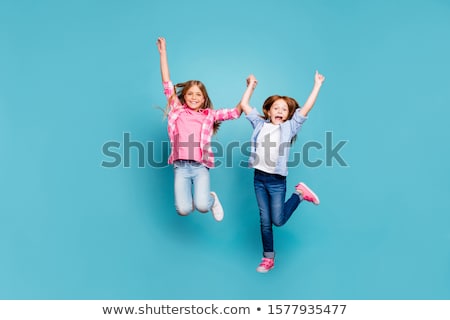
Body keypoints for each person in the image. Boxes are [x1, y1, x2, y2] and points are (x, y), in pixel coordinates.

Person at [239, 71, 325, 272]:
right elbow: (244, 106)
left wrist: (317, 85)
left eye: (284, 109)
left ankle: (300, 194)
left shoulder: (290, 127)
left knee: (278, 220)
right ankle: (268, 257)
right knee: (265, 220)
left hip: (277, 181)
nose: (279, 111)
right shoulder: (260, 124)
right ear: (268, 111)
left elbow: (306, 108)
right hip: (259, 179)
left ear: (288, 114)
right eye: (276, 108)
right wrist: (251, 86)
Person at [156, 37, 241, 222]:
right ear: (184, 96)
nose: (194, 97)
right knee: (184, 210)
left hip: (200, 166)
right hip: (180, 167)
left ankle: (211, 200)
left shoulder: (209, 115)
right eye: (190, 94)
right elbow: (167, 83)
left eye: (198, 95)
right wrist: (163, 53)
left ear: (203, 99)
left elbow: (235, 112)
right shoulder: (177, 110)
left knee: (202, 206)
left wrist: (249, 88)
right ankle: (195, 200)